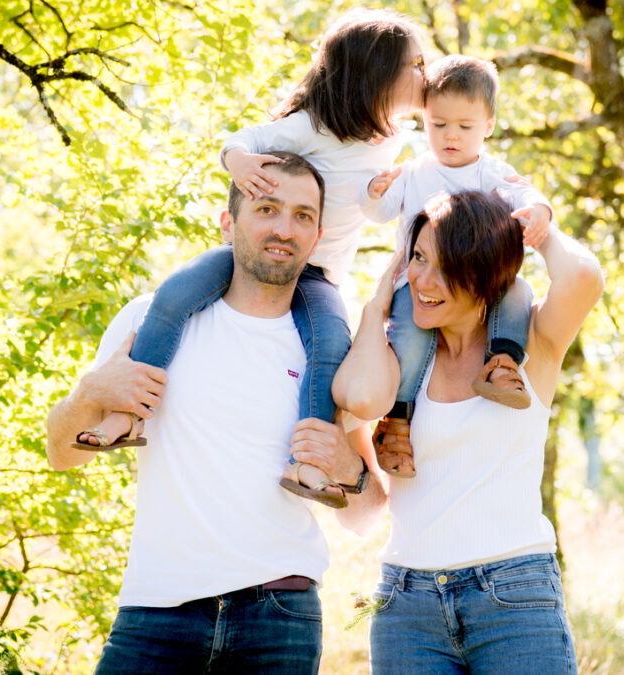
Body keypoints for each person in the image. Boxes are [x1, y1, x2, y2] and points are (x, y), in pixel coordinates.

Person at [46, 153, 385, 673]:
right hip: (156, 611)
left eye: (302, 215)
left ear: (318, 237)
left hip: (280, 617)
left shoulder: (332, 352)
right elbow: (61, 455)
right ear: (228, 223)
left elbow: (367, 514)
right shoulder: (151, 319)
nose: (284, 228)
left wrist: (348, 467)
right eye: (266, 207)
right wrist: (91, 392)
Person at [73, 8, 424, 507]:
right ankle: (129, 413)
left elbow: (386, 202)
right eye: (415, 65)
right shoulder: (312, 127)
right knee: (172, 298)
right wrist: (239, 164)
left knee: (328, 346)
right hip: (253, 259)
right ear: (376, 73)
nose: (424, 76)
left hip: (317, 274)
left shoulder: (395, 141)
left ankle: (309, 460)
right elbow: (243, 142)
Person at [333, 190, 603, 673]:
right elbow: (360, 516)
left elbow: (583, 276)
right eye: (418, 257)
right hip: (405, 606)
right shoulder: (396, 367)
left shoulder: (528, 349)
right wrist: (375, 312)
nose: (423, 280)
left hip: (513, 599)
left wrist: (537, 226)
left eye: (448, 266)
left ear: (485, 274)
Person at [360, 54, 554, 478]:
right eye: (438, 125)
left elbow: (524, 194)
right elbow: (378, 212)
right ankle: (397, 417)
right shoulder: (414, 173)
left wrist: (538, 210)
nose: (450, 136)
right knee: (408, 338)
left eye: (465, 127)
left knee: (519, 291)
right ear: (424, 120)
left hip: (480, 283)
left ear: (488, 125)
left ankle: (502, 363)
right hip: (421, 287)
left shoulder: (491, 172)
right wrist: (373, 194)